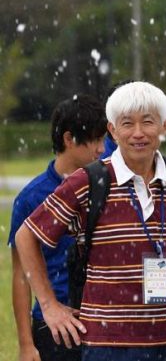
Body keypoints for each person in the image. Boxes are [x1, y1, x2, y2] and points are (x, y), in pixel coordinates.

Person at [14, 81, 166, 361]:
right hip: (110, 345)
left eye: (148, 122)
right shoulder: (89, 181)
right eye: (127, 124)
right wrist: (49, 306)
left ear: (165, 126)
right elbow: (26, 236)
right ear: (113, 131)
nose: (138, 133)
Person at [9, 94, 106, 361]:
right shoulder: (31, 198)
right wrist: (26, 345)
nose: (102, 148)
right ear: (68, 139)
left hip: (106, 321)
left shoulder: (108, 187)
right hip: (54, 327)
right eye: (96, 140)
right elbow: (20, 276)